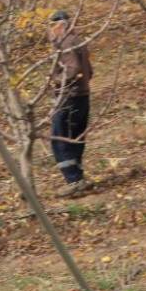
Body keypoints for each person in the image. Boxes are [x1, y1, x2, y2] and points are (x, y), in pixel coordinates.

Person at [47, 10, 94, 197]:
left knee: (60, 139)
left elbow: (73, 69)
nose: (50, 31)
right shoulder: (79, 41)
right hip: (82, 95)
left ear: (60, 25)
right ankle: (79, 178)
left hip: (69, 97)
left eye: (52, 26)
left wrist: (56, 80)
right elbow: (89, 71)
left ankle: (73, 180)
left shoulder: (65, 42)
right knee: (76, 138)